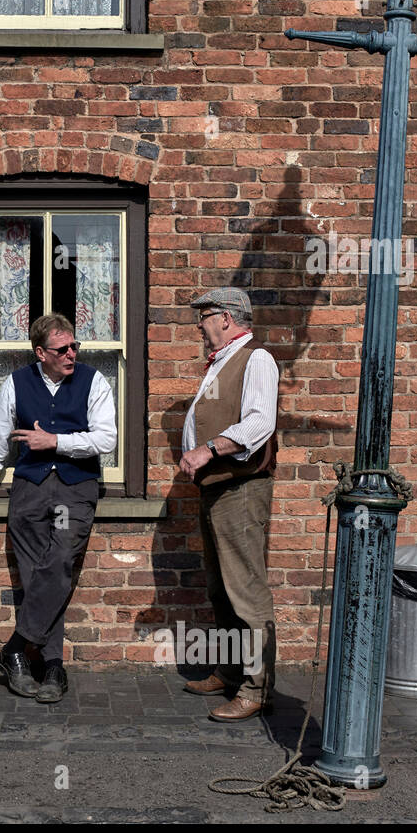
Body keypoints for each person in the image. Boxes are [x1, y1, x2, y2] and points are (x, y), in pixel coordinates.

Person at [0, 313, 117, 703]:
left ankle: (15, 648)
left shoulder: (93, 381)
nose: (72, 354)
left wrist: (55, 442)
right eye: (62, 349)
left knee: (59, 562)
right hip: (30, 489)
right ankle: (51, 667)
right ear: (40, 352)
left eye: (74, 347)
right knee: (37, 574)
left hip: (74, 488)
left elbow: (106, 439)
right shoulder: (17, 384)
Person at [177, 287, 280, 721]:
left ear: (225, 317)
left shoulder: (257, 358)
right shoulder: (223, 361)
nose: (198, 325)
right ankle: (233, 671)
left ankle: (257, 689)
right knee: (221, 588)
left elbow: (260, 421)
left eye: (204, 316)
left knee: (246, 590)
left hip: (240, 488)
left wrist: (209, 450)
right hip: (218, 489)